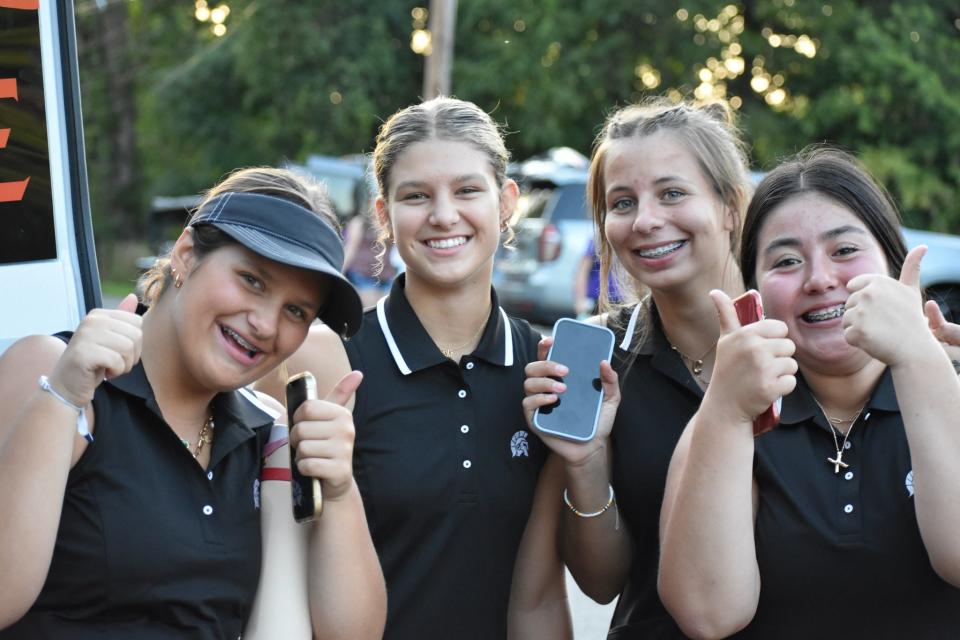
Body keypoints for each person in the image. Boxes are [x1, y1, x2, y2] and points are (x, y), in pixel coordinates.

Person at [0, 167, 386, 639]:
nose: (265, 323)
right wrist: (60, 398)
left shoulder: (267, 437)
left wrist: (341, 491)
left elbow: (351, 635)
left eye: (296, 311)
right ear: (185, 255)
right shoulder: (54, 371)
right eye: (252, 280)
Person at [256, 97, 571, 640]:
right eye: (416, 196)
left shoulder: (542, 370)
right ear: (383, 214)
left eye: (468, 190)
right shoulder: (324, 361)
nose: (443, 215)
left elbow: (540, 597)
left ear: (507, 203)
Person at [658, 147, 960, 638]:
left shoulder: (947, 381)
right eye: (787, 261)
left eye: (844, 251)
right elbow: (707, 614)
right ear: (753, 290)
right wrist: (726, 410)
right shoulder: (730, 413)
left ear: (894, 263)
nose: (820, 280)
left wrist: (918, 356)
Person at [522, 97, 753, 638]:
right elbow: (603, 583)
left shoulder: (802, 336)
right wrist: (583, 461)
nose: (646, 221)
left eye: (672, 193)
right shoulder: (596, 356)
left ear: (730, 206)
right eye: (622, 203)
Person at [573, 235, 623, 318]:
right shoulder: (596, 241)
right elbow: (582, 272)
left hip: (618, 301)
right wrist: (580, 300)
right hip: (595, 301)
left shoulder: (623, 242)